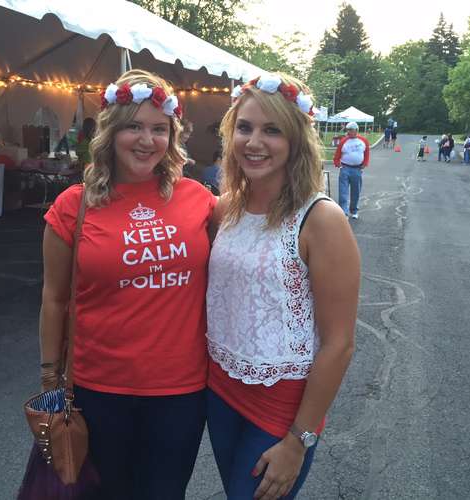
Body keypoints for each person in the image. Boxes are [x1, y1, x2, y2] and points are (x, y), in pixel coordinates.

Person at [39, 69, 216, 499]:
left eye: (159, 129)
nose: (146, 140)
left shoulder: (199, 198)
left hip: (182, 391)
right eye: (133, 126)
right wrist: (49, 379)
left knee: (165, 493)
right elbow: (54, 297)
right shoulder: (73, 206)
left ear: (172, 136)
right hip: (99, 389)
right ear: (110, 132)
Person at [207, 72, 359, 500]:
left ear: (295, 140)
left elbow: (339, 343)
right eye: (245, 127)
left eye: (271, 130)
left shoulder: (322, 219)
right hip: (219, 391)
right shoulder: (226, 209)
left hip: (281, 408)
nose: (254, 142)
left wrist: (299, 439)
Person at [334, 121, 370, 219]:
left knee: (356, 191)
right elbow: (337, 154)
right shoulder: (343, 141)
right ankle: (344, 212)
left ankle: (353, 210)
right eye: (348, 130)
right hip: (345, 168)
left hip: (357, 169)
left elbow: (366, 153)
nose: (348, 132)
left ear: (356, 130)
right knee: (343, 191)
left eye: (350, 130)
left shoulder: (363, 141)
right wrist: (338, 164)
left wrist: (365, 164)